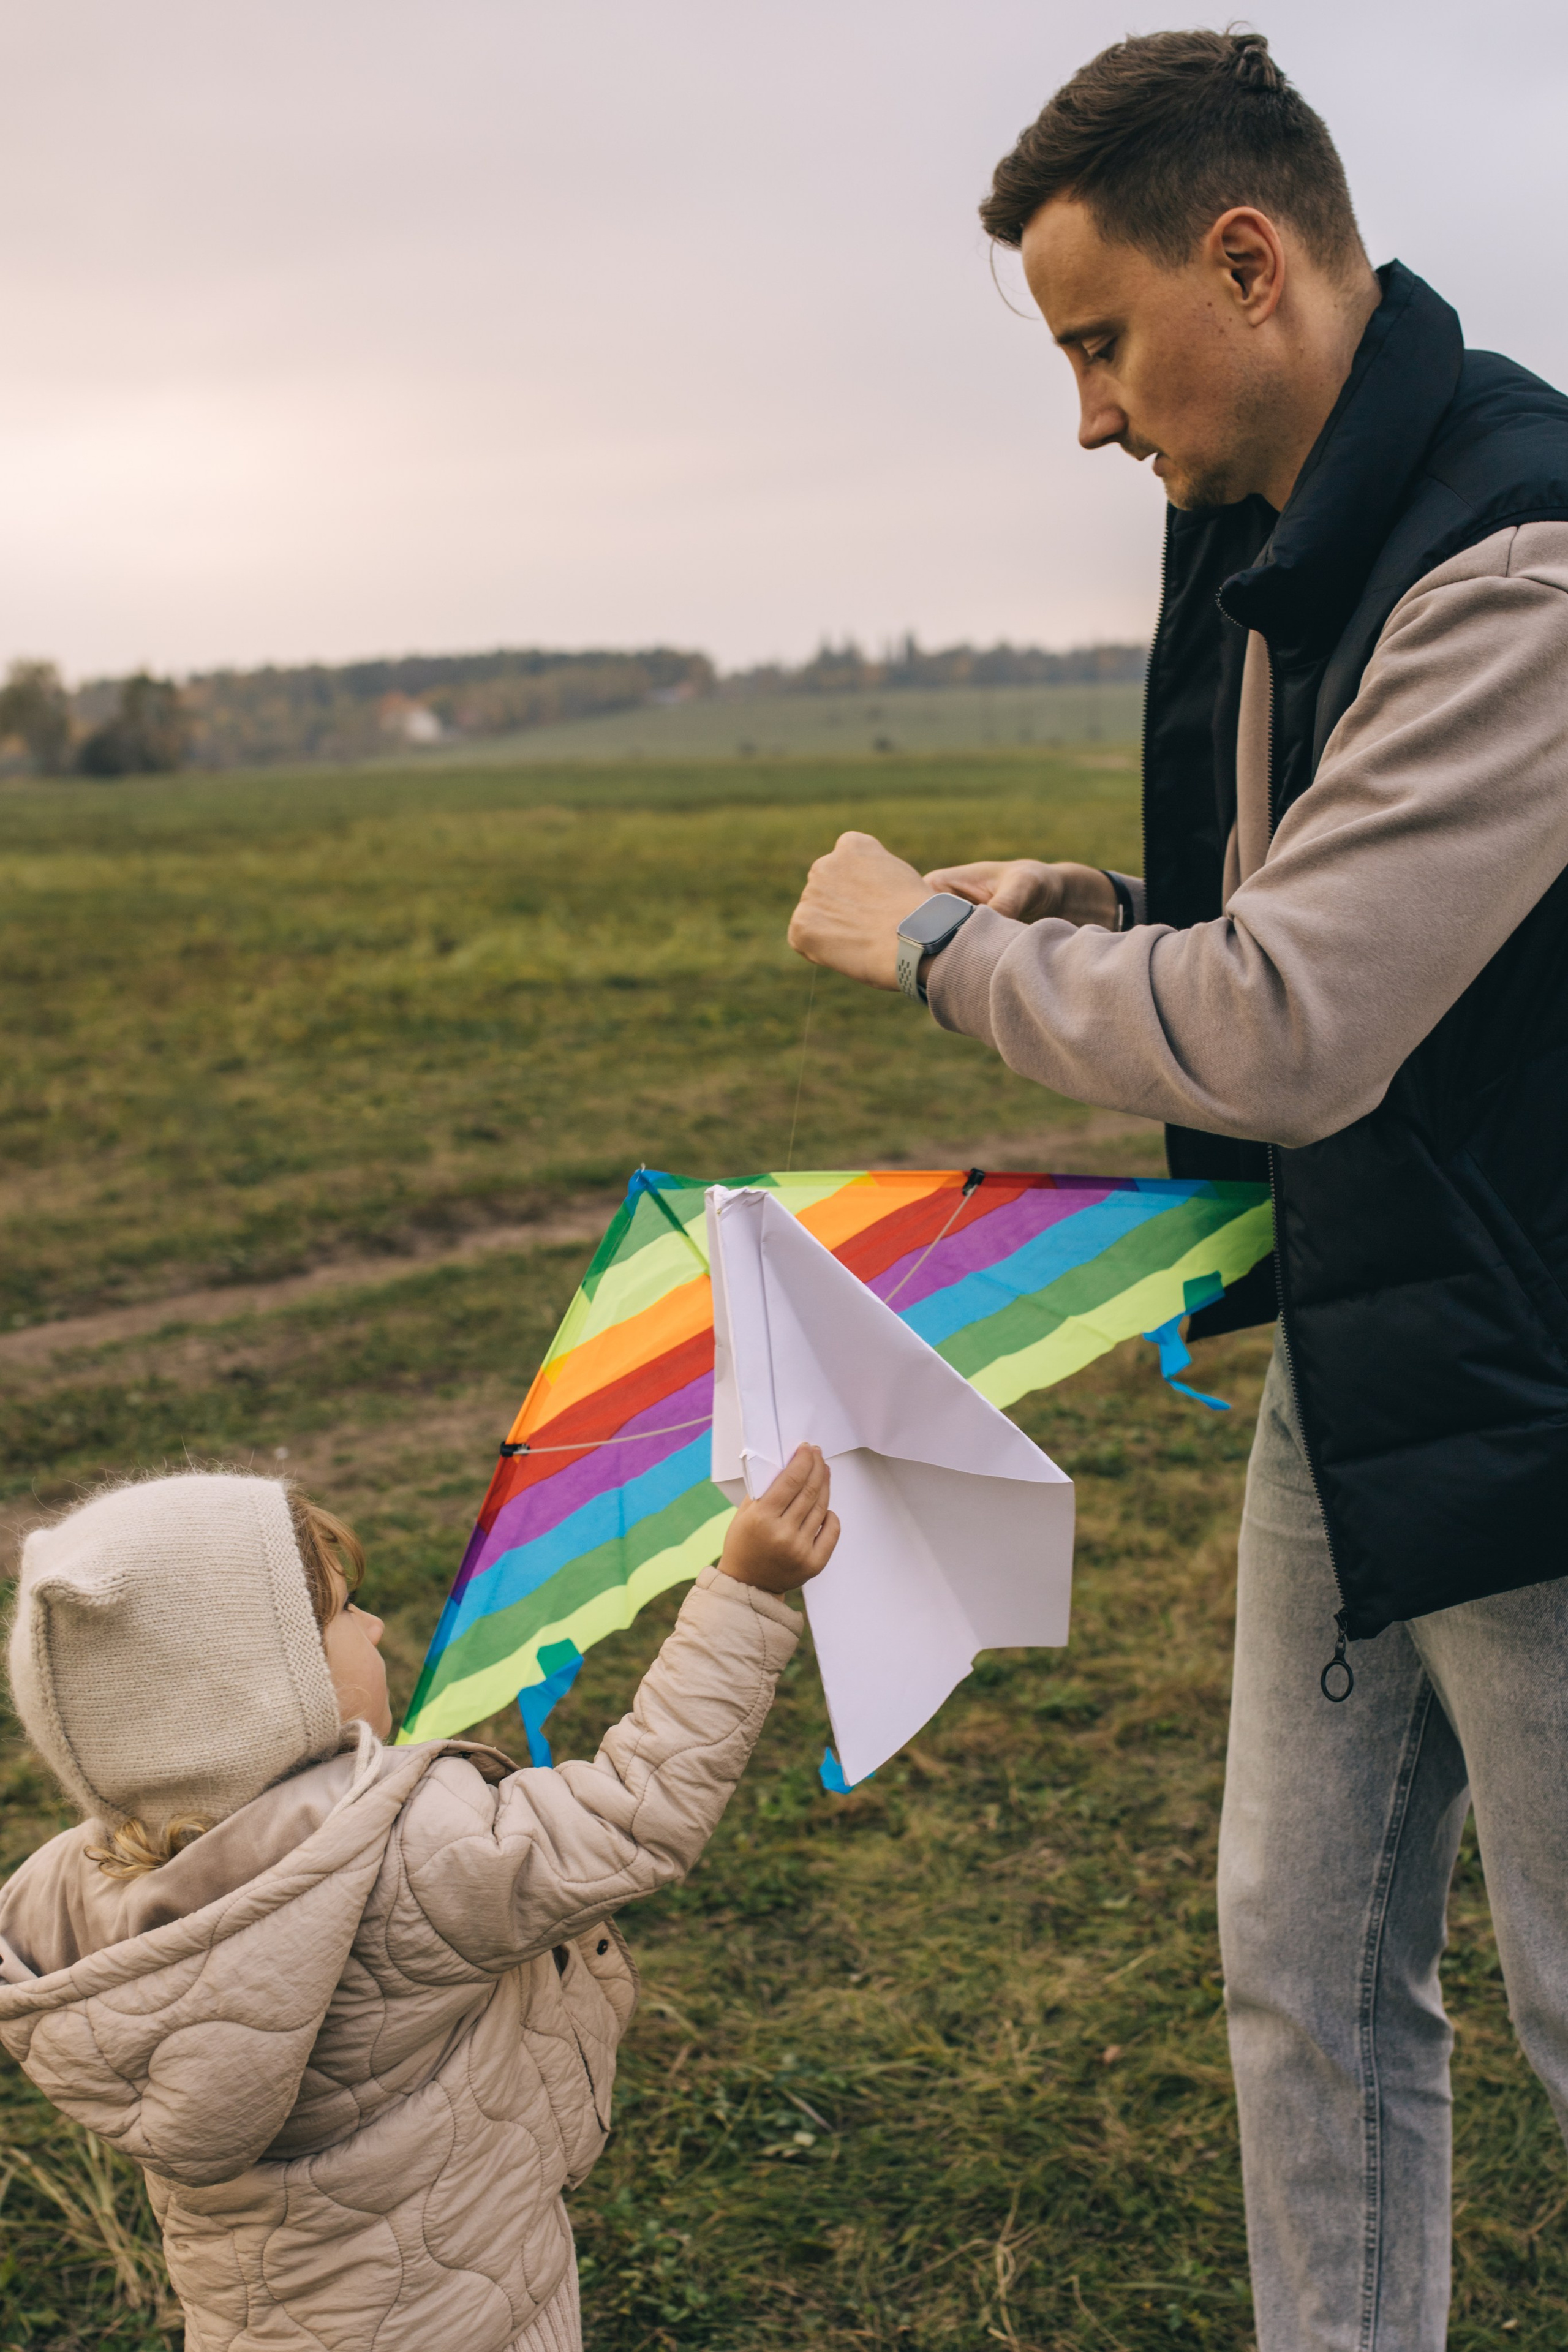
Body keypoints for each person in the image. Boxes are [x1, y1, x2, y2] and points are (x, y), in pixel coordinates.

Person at [788, 27, 1568, 2351]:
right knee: (1297, 1968)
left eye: (1100, 342)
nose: (1095, 414)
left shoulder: (1516, 565)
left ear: (1250, 265)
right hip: (1371, 1340)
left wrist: (930, 950)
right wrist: (1089, 904)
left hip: (1540, 1401)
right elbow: (1320, 935)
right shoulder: (1303, 541)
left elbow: (1293, 1022)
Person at [0, 1453, 837, 2352]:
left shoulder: (68, 1897)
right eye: (339, 1612)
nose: (377, 1623)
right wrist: (746, 1591)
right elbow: (638, 1810)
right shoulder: (417, 1852)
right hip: (471, 2311)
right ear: (259, 1696)